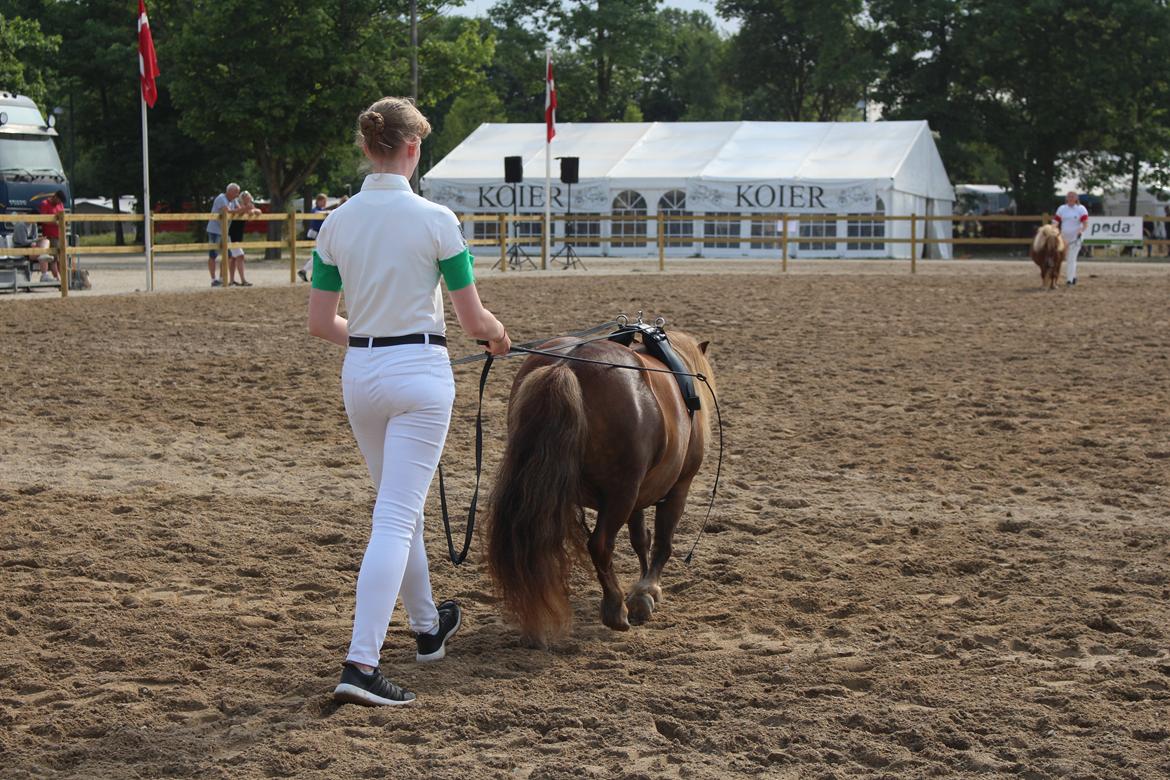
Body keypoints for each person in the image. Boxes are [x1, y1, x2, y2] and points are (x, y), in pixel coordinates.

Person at [307, 97, 510, 707]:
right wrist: (497, 337)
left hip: (361, 374)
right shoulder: (436, 219)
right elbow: (471, 317)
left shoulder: (336, 223)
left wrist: (372, 339)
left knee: (402, 507)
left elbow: (322, 323)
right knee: (395, 517)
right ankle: (361, 663)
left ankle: (427, 629)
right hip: (420, 374)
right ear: (412, 148)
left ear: (368, 148)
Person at [206, 183, 242, 287]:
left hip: (224, 231)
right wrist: (241, 210)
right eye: (236, 192)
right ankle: (213, 279)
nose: (237, 194)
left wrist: (245, 209)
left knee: (229, 255)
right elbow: (227, 211)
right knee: (213, 255)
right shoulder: (221, 198)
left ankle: (222, 278)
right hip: (214, 230)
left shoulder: (233, 200)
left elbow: (239, 211)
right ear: (229, 191)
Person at [1053, 191, 1088, 286]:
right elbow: (1056, 222)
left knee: (1071, 258)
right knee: (1067, 258)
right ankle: (1073, 277)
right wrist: (1053, 230)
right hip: (1063, 239)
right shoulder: (1062, 209)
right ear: (1066, 198)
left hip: (1076, 238)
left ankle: (1069, 280)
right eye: (1069, 196)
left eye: (1073, 196)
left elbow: (1085, 224)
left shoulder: (1081, 209)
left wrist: (1081, 231)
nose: (1071, 198)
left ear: (1076, 198)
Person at [228, 190, 262, 286]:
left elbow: (258, 211)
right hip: (232, 234)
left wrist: (253, 210)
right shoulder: (237, 204)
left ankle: (231, 281)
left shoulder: (249, 205)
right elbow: (240, 212)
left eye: (249, 198)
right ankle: (243, 280)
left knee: (234, 258)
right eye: (246, 198)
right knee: (240, 256)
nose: (248, 199)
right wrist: (248, 210)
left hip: (238, 234)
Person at [298, 193, 330, 282]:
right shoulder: (315, 210)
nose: (325, 203)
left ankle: (311, 273)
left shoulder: (321, 210)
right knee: (318, 254)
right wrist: (327, 212)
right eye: (323, 201)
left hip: (319, 234)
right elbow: (317, 213)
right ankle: (305, 271)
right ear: (318, 201)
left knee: (318, 254)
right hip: (316, 234)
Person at [35, 190, 66, 282]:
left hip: (61, 235)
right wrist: (55, 222)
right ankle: (58, 279)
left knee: (63, 258)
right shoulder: (45, 204)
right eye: (59, 200)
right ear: (55, 197)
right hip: (51, 236)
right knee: (54, 259)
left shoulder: (60, 205)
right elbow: (43, 219)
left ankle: (65, 279)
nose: (59, 203)